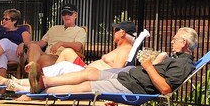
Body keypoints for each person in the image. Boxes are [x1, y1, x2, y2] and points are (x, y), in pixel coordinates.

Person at [42, 27, 197, 97]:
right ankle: (46, 81)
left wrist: (148, 66)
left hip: (131, 85)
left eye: (175, 39)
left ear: (184, 43)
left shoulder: (183, 64)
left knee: (84, 86)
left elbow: (165, 88)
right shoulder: (175, 59)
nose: (172, 41)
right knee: (89, 72)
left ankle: (40, 91)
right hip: (128, 75)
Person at [0, 21, 139, 93]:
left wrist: (92, 73)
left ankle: (13, 83)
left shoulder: (125, 50)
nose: (114, 33)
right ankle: (16, 83)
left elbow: (117, 73)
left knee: (63, 65)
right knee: (60, 65)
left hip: (87, 74)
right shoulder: (121, 48)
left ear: (123, 33)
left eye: (116, 30)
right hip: (86, 71)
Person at [22, 3, 87, 78]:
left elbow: (78, 46)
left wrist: (61, 43)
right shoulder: (54, 28)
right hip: (46, 55)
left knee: (43, 59)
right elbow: (41, 43)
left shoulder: (79, 30)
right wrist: (24, 44)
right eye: (64, 13)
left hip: (60, 58)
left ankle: (33, 74)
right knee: (33, 46)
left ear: (75, 15)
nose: (66, 16)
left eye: (69, 13)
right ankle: (33, 71)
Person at [0, 8, 31, 78]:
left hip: (17, 54)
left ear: (14, 21)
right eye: (3, 18)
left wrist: (22, 44)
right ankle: (1, 87)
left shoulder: (22, 30)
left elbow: (28, 43)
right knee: (2, 57)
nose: (3, 21)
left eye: (6, 19)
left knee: (5, 41)